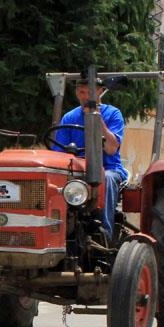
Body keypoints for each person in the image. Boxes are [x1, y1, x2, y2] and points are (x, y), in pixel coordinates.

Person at [50, 77, 128, 239]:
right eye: (81, 92)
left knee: (106, 178)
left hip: (108, 167)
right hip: (77, 170)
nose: (85, 97)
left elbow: (111, 149)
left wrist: (97, 119)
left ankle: (104, 233)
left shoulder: (113, 114)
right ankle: (54, 228)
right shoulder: (69, 117)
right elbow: (60, 154)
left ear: (100, 92)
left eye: (89, 92)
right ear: (76, 93)